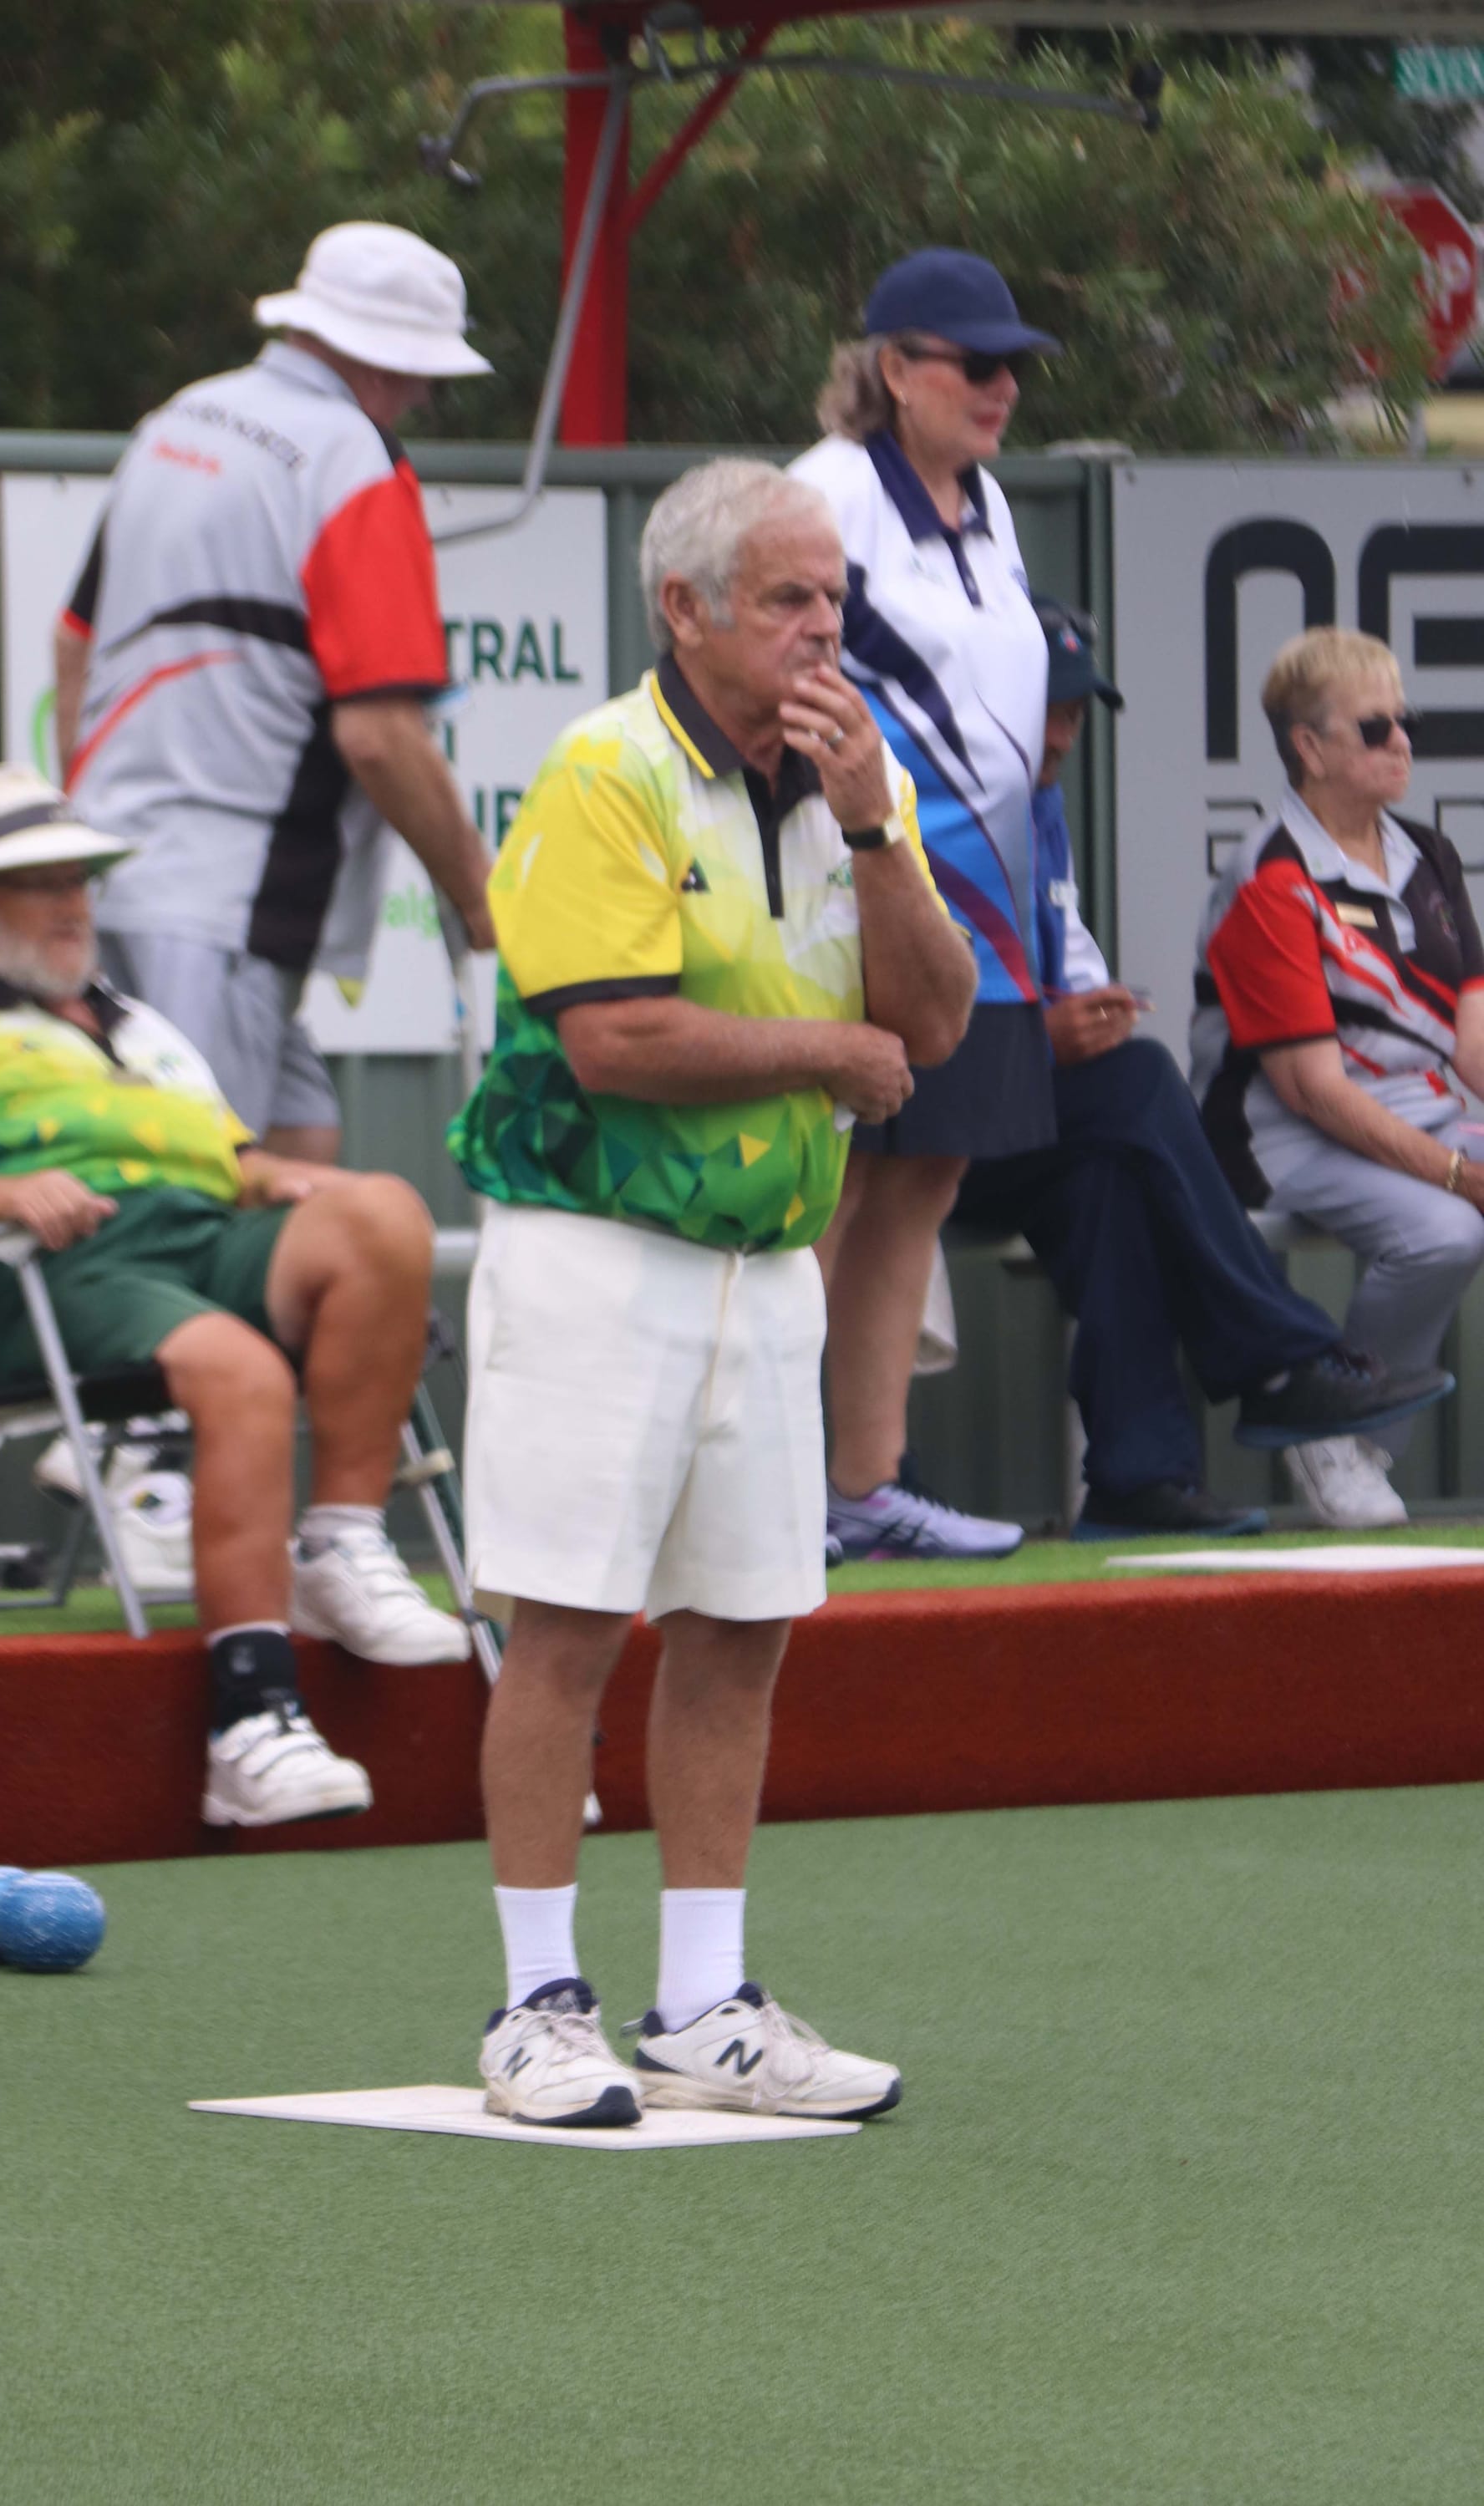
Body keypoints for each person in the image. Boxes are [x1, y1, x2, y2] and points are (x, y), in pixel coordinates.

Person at [447, 459, 976, 2127]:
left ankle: (701, 1999)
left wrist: (881, 827)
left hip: (771, 1264)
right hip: (595, 1250)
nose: (824, 630)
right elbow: (614, 1038)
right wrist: (830, 1049)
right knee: (569, 1624)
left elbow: (939, 1022)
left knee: (743, 1622)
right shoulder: (602, 768)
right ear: (684, 610)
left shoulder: (841, 780)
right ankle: (535, 2000)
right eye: (787, 600)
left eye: (834, 599)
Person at [0, 764, 473, 1829]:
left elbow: (233, 1160)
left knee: (385, 1212)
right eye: (40, 881)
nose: (75, 901)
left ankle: (339, 1541)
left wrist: (283, 1178)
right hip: (31, 1276)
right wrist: (1, 1191)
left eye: (80, 876)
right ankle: (249, 1721)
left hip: (194, 1243)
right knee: (241, 1368)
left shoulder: (138, 1021)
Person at [955, 602, 1452, 1537]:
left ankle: (1139, 1479)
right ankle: (1280, 1357)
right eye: (1041, 706)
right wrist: (1041, 1037)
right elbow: (889, 1009)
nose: (1061, 729)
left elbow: (1068, 963)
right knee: (1140, 1081)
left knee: (1110, 1169)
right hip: (905, 1126)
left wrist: (1077, 1016)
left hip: (1010, 1112)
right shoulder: (921, 804)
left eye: (1074, 708)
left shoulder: (1039, 804)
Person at [54, 221, 496, 1160]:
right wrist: (477, 893)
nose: (421, 395)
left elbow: (71, 639)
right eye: (423, 373)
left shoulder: (179, 418)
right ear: (384, 360)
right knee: (203, 1199)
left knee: (303, 1145)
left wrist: (90, 815)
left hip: (112, 877)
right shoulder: (353, 461)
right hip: (229, 905)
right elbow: (380, 734)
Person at [790, 247, 1057, 1563]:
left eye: (1014, 366)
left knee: (925, 1178)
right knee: (829, 1181)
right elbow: (782, 679)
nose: (1003, 386)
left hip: (986, 908)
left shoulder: (991, 502)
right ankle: (777, 1489)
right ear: (895, 369)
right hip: (867, 884)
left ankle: (865, 1485)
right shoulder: (824, 492)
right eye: (976, 362)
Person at [1192, 626, 1483, 1527]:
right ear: (1307, 748)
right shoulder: (1270, 874)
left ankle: (1349, 1442)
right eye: (1372, 727)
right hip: (1277, 1134)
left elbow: (1471, 1040)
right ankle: (1338, 1438)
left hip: (1417, 1114)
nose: (1399, 742)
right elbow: (1311, 1090)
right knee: (1443, 1229)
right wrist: (1457, 1174)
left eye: (1405, 722)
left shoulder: (1427, 853)